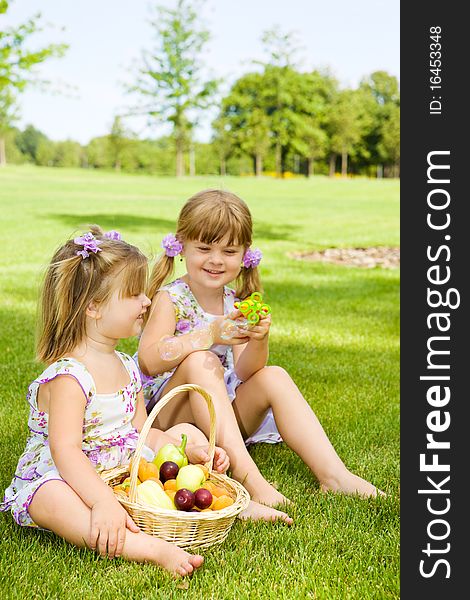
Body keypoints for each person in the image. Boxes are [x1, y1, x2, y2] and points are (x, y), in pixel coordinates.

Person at [0, 226, 231, 577]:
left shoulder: (125, 364)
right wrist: (102, 501)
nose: (147, 301)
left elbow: (142, 430)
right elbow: (66, 452)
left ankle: (220, 504)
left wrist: (184, 451)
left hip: (119, 466)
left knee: (188, 432)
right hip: (69, 476)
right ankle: (148, 548)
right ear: (93, 307)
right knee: (51, 499)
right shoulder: (69, 376)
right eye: (134, 294)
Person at [137, 190, 383, 516]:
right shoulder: (172, 298)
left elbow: (246, 374)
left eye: (229, 251)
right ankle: (252, 482)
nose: (215, 259)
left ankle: (334, 474)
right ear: (182, 245)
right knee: (201, 360)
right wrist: (210, 334)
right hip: (175, 413)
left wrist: (258, 339)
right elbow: (149, 361)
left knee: (274, 375)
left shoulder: (234, 302)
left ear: (244, 255)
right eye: (204, 248)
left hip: (220, 417)